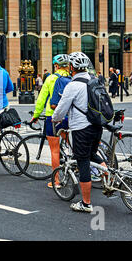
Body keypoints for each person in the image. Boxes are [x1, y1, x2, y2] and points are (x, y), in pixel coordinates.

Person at [52, 52, 108, 213]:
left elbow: (61, 110)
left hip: (81, 129)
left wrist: (55, 118)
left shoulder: (72, 86)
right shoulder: (94, 81)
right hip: (97, 126)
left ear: (72, 67)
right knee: (92, 154)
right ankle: (108, 179)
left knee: (82, 161)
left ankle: (86, 203)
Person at [31, 54, 71, 188]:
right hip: (69, 116)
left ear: (56, 66)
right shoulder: (71, 78)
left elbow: (42, 99)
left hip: (53, 116)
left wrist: (36, 115)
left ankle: (57, 180)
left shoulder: (51, 78)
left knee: (55, 149)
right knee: (72, 145)